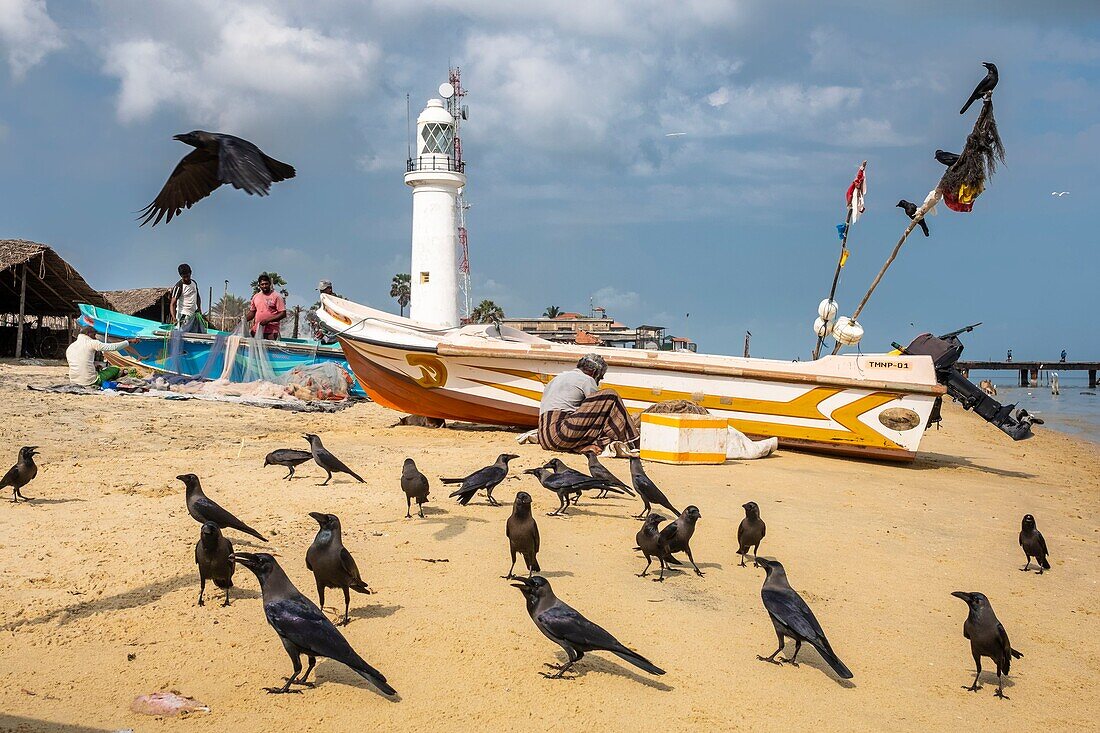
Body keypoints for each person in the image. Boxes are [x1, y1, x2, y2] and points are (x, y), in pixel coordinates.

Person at [537, 354, 639, 456]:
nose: (598, 382)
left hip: (545, 438)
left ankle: (580, 447)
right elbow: (598, 411)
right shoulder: (587, 379)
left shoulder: (557, 378)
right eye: (600, 378)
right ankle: (633, 441)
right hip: (561, 433)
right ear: (594, 372)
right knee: (611, 396)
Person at [66, 326, 131, 387]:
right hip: (89, 381)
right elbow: (112, 347)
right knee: (115, 368)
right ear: (88, 334)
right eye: (94, 335)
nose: (95, 337)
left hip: (74, 381)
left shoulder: (70, 347)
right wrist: (128, 342)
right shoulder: (92, 342)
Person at [247, 273, 286, 340]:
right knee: (254, 349)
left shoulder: (276, 296)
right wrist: (244, 319)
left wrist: (268, 320)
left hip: (271, 332)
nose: (264, 286)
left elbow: (283, 313)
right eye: (262, 284)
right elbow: (252, 313)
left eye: (266, 284)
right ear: (259, 285)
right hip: (256, 330)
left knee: (268, 349)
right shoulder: (256, 297)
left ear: (270, 284)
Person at [169, 263, 204, 332]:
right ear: (181, 276)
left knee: (195, 335)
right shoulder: (179, 287)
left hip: (193, 314)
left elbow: (197, 296)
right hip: (183, 315)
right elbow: (172, 304)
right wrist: (174, 318)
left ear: (190, 273)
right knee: (182, 334)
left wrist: (199, 308)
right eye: (184, 277)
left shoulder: (194, 283)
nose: (186, 278)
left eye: (188, 276)